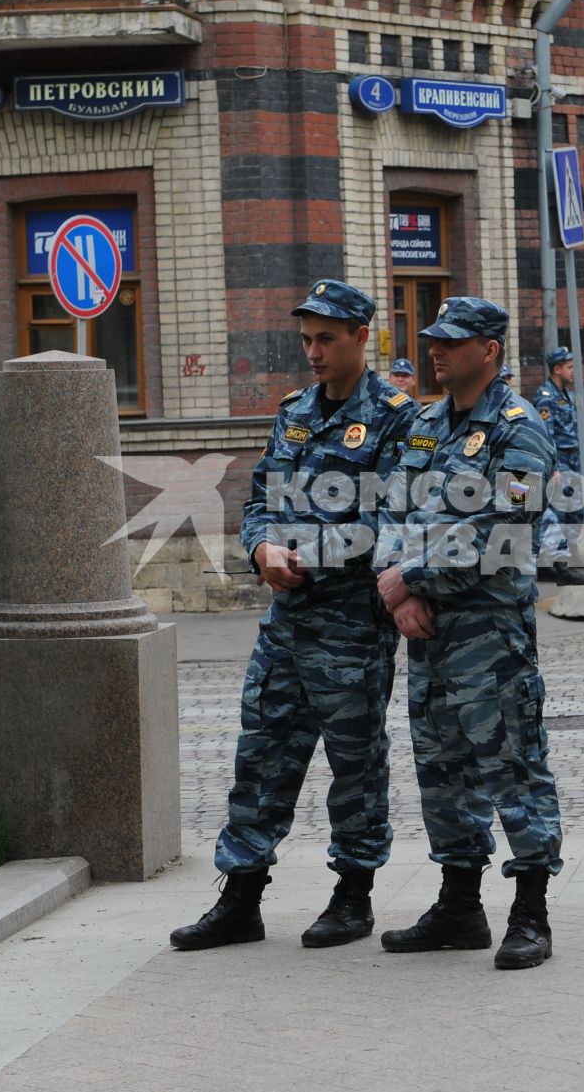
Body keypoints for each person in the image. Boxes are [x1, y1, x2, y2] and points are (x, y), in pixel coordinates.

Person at [170, 279, 418, 952]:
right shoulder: (294, 412)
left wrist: (296, 554)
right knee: (261, 758)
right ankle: (241, 896)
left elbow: (387, 523)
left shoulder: (397, 418)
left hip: (350, 629)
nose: (312, 351)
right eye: (306, 338)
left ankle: (353, 895)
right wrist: (258, 548)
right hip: (284, 627)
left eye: (326, 339)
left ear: (361, 337)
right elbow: (257, 499)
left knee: (356, 765)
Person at [376, 296, 563, 970]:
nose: (435, 349)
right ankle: (459, 906)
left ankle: (531, 912)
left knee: (513, 766)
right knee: (442, 771)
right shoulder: (427, 425)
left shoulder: (521, 429)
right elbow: (392, 505)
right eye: (432, 338)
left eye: (451, 341)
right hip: (427, 633)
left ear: (489, 349)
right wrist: (395, 585)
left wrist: (411, 577)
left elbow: (506, 536)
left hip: (491, 633)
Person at [534, 346, 584, 587]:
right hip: (560, 463)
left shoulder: (567, 393)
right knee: (556, 513)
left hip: (573, 460)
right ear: (557, 369)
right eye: (569, 367)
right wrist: (554, 466)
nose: (574, 372)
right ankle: (559, 565)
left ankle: (560, 561)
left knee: (574, 511)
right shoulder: (545, 396)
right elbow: (545, 434)